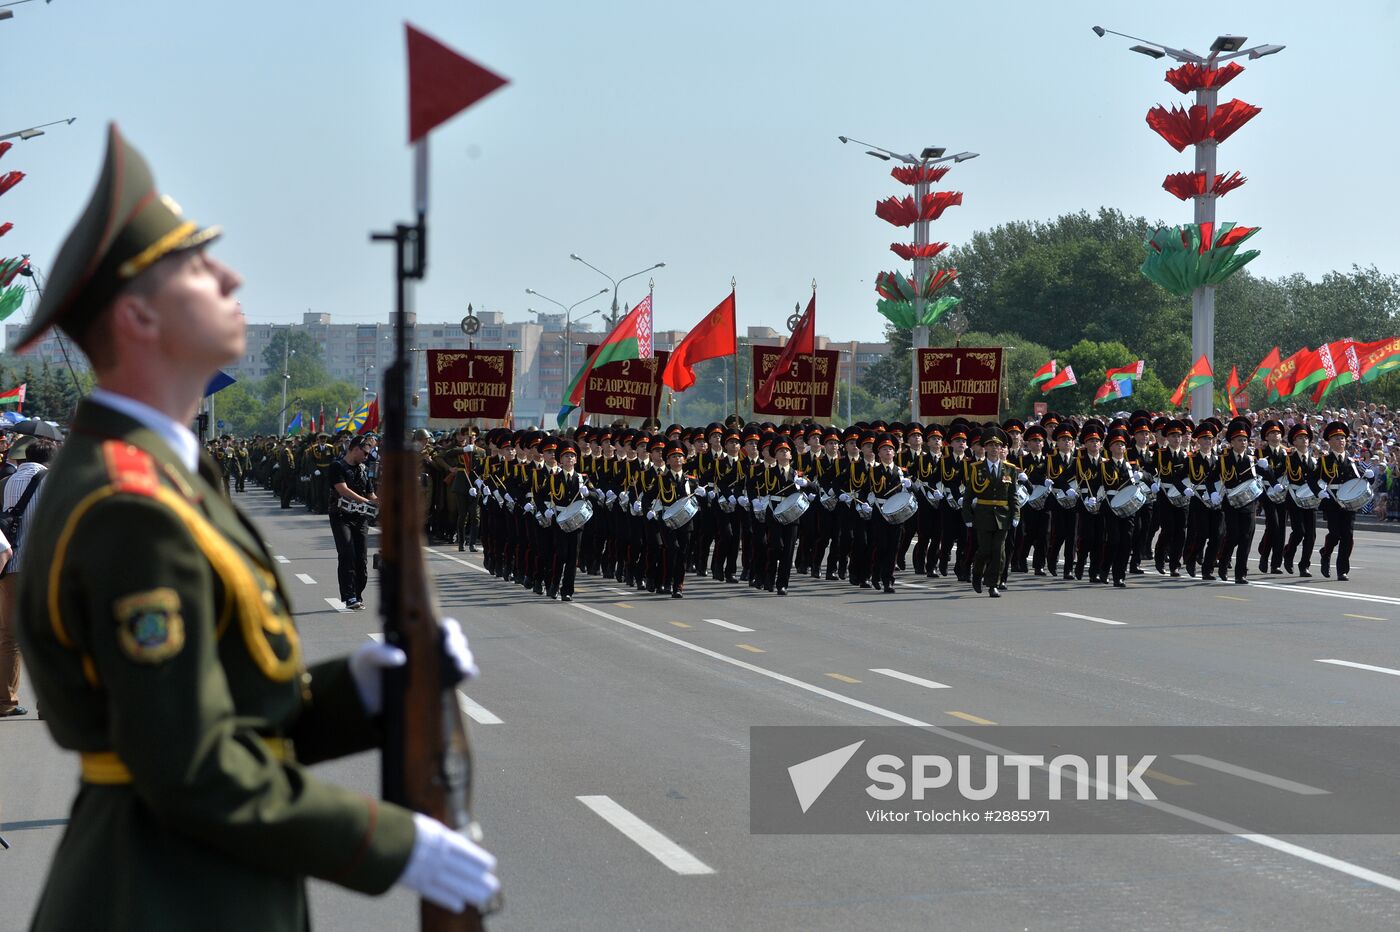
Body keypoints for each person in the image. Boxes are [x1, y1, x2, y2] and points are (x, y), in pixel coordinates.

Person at [12, 127, 497, 928]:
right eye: (199, 268)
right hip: (164, 898)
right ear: (138, 315)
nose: (231, 276)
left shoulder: (168, 474)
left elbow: (230, 722)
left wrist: (363, 692)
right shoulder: (130, 503)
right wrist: (390, 844)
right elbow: (193, 767)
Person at [962, 427, 1019, 597]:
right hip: (983, 514)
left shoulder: (1009, 469)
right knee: (984, 550)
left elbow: (1013, 494)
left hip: (1003, 515)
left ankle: (993, 583)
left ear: (1002, 449)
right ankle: (977, 574)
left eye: (997, 446)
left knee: (999, 552)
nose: (994, 449)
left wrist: (1016, 514)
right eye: (990, 445)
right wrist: (967, 516)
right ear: (984, 448)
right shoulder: (976, 468)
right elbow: (969, 494)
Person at [329, 435, 378, 610]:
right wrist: (364, 501)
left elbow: (370, 494)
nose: (366, 457)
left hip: (360, 519)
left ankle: (358, 594)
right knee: (347, 554)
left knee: (361, 560)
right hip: (341, 516)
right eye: (365, 453)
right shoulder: (337, 466)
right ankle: (349, 596)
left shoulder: (363, 469)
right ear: (355, 448)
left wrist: (380, 501)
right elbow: (342, 489)